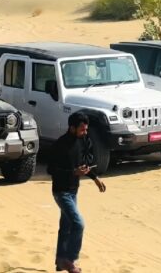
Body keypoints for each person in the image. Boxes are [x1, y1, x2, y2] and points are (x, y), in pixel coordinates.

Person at [48, 112, 107, 273]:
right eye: (82, 130)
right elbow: (51, 169)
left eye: (86, 129)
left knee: (66, 227)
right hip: (61, 191)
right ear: (72, 128)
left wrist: (95, 178)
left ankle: (61, 261)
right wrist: (72, 172)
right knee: (78, 224)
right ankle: (71, 260)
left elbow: (84, 164)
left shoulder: (83, 141)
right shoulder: (60, 145)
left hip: (74, 191)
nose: (85, 132)